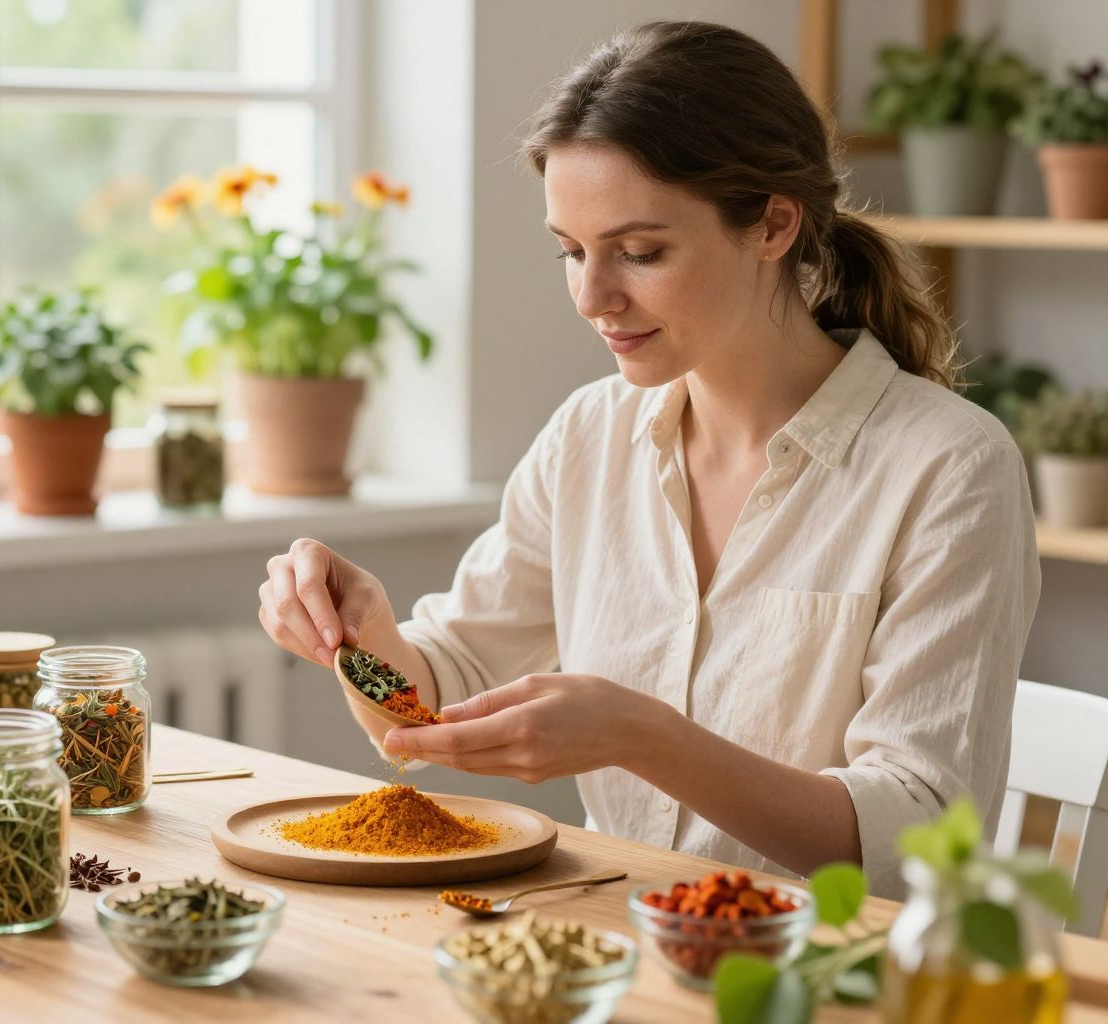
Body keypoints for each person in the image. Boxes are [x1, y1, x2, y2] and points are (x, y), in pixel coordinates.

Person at [255, 21, 1039, 896]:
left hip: (829, 973)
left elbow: (918, 832)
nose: (593, 297)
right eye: (571, 252)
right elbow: (438, 694)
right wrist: (360, 637)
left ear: (774, 223)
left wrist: (644, 737)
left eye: (640, 252)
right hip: (620, 941)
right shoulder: (591, 434)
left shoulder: (951, 469)